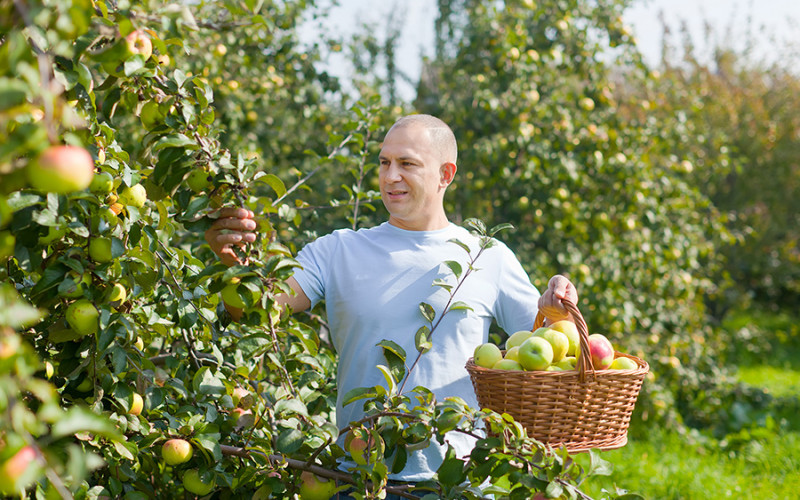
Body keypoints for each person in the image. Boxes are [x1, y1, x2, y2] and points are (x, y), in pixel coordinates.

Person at [205, 114, 578, 496]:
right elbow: (259, 309)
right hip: (357, 478)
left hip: (455, 483)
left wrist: (557, 309)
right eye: (384, 163)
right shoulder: (338, 250)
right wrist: (233, 265)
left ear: (445, 175)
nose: (390, 176)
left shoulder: (486, 255)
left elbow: (542, 356)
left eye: (407, 164)